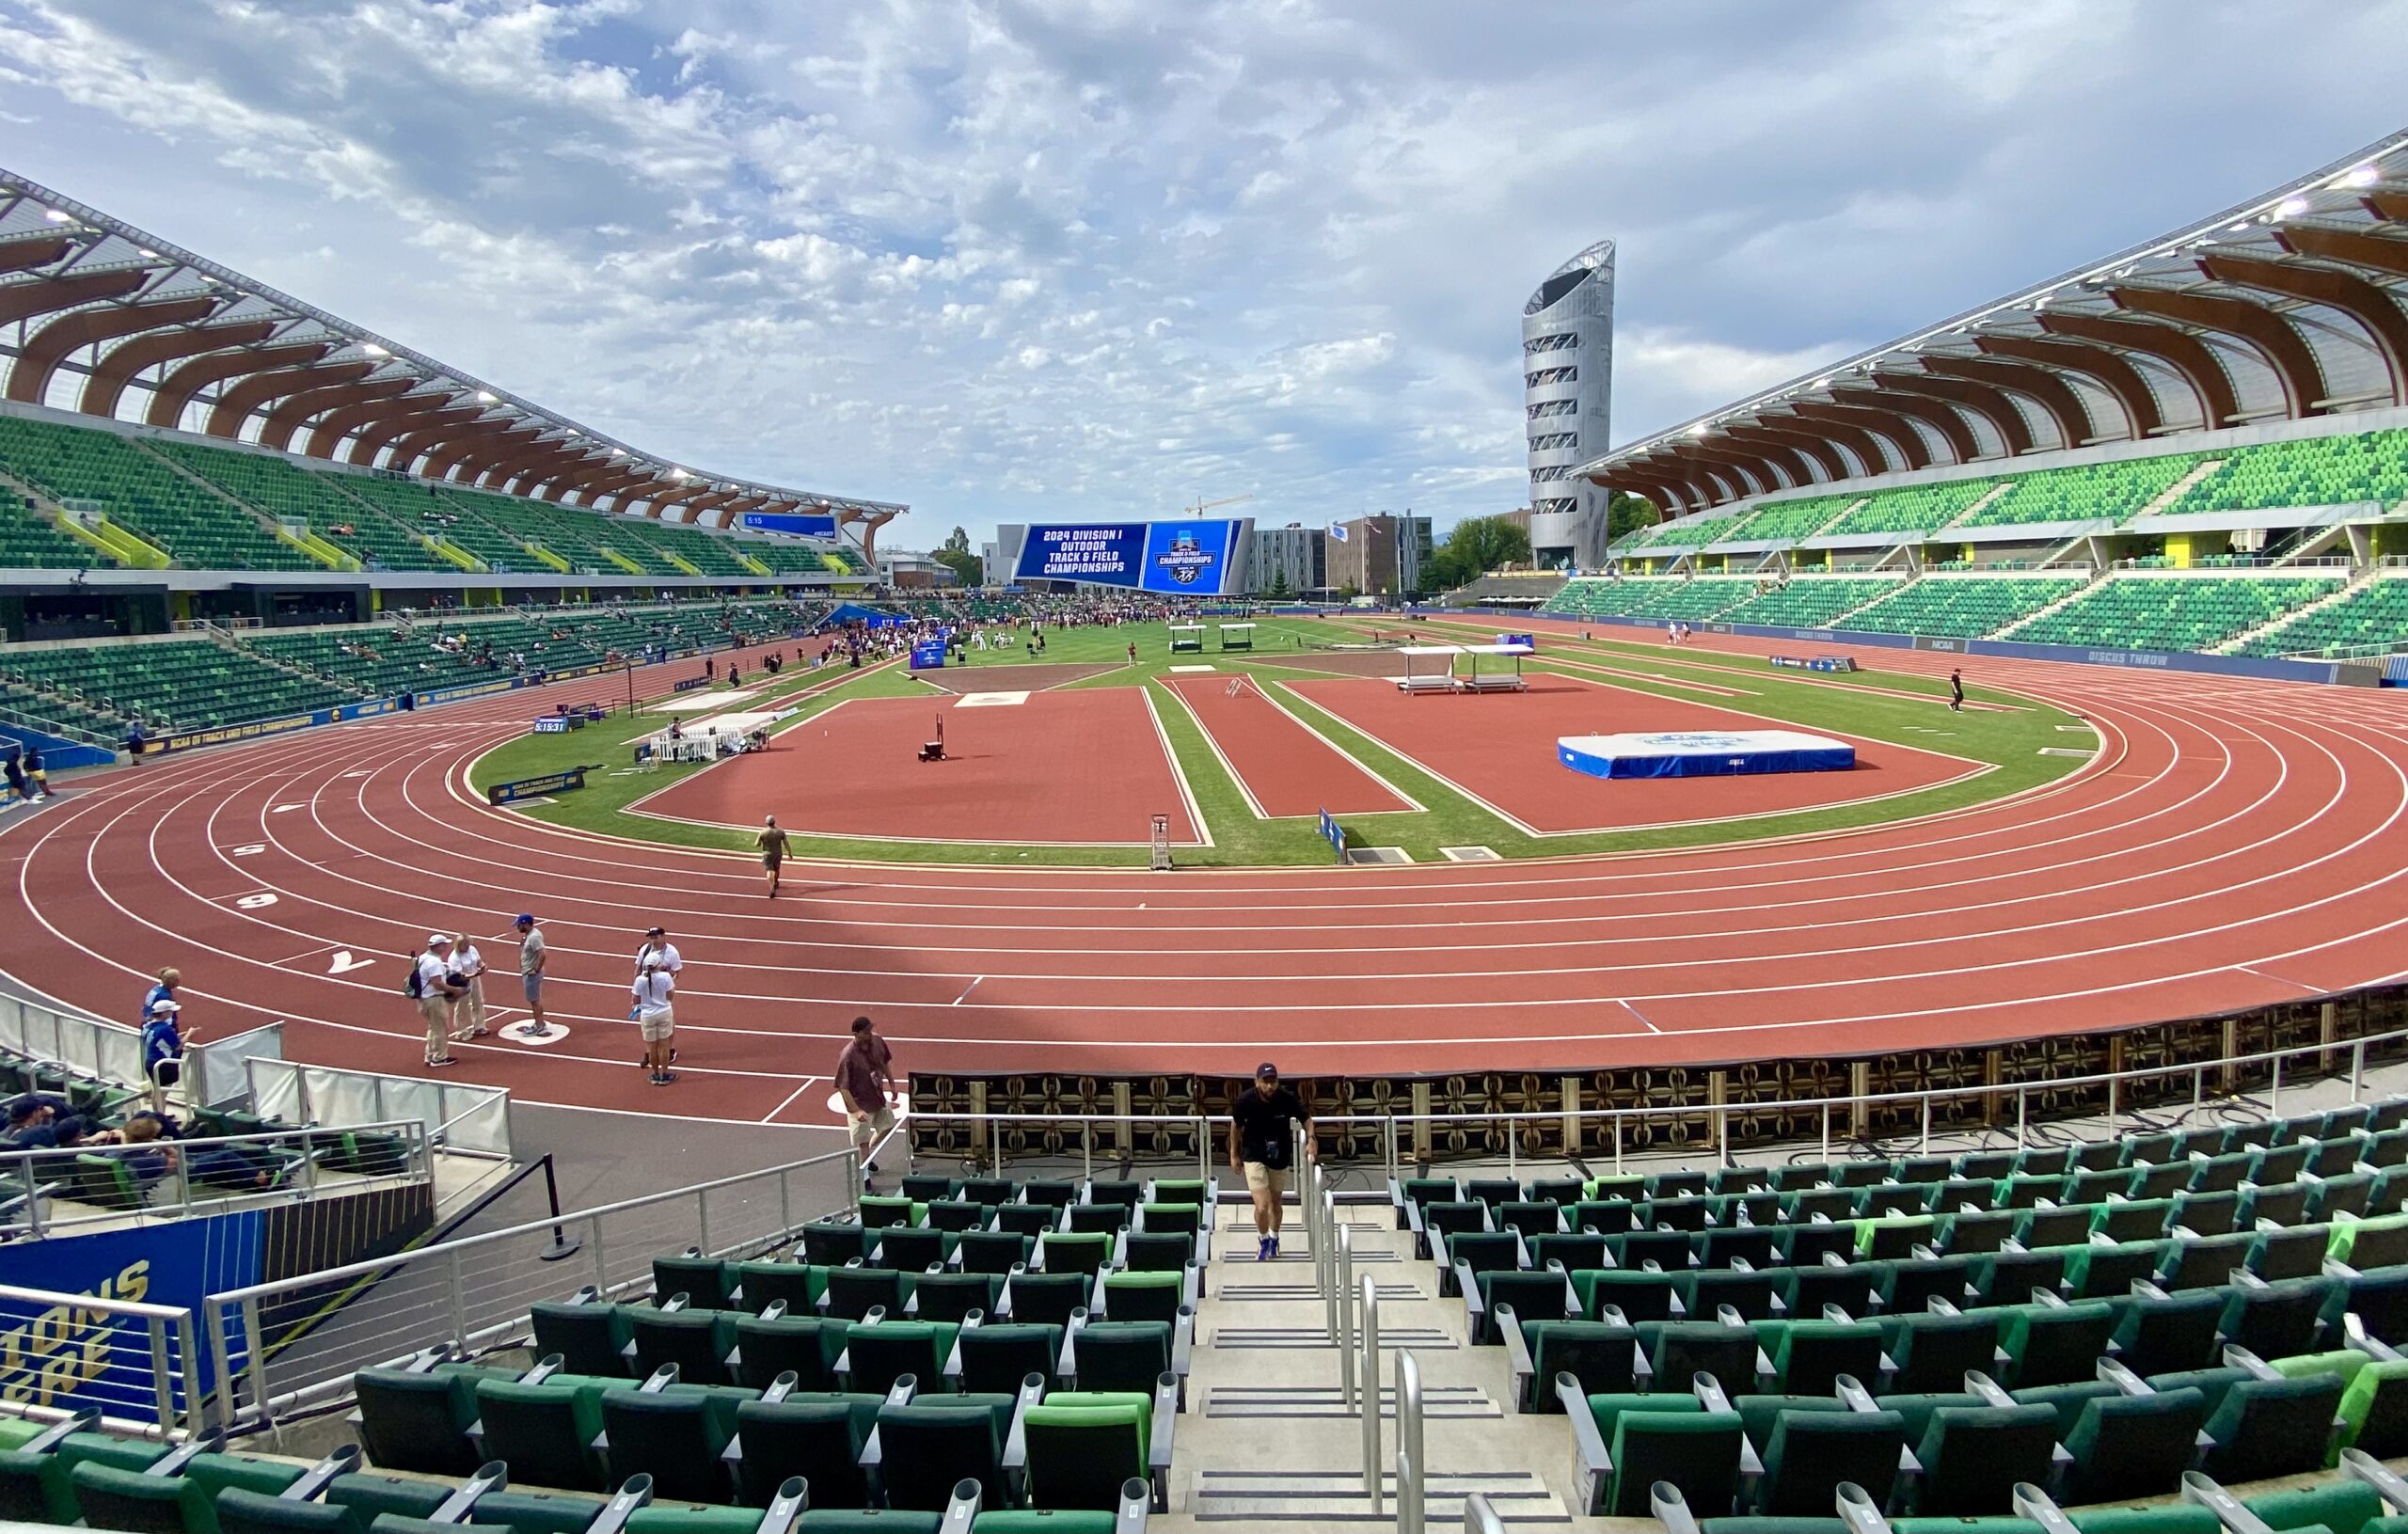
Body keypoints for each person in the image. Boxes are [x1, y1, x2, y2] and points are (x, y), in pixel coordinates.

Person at [1228, 1062, 1310, 1260]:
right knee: (1262, 1206)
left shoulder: (1286, 1099)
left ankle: (1274, 1238)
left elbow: (1306, 1119)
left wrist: (1312, 1139)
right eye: (1265, 1081)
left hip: (1279, 1156)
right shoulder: (1246, 1100)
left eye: (1273, 1081)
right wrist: (1234, 1154)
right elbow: (1235, 1126)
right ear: (1257, 1082)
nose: (1270, 1086)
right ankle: (1263, 1240)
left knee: (1275, 1203)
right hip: (1254, 1155)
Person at [836, 1016, 896, 1185]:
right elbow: (843, 1087)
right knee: (862, 1144)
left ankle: (868, 1157)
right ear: (856, 1034)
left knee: (888, 1127)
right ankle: (864, 1180)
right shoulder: (848, 1056)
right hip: (860, 1103)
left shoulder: (877, 1041)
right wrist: (856, 1110)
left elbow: (884, 1062)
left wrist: (891, 1082)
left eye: (870, 1029)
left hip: (877, 1097)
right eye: (866, 1031)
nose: (870, 1033)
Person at [411, 935, 464, 1067]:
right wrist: (453, 990)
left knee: (433, 1028)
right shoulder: (434, 962)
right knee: (440, 1029)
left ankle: (430, 1055)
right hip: (433, 1000)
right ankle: (439, 1057)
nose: (446, 947)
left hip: (424, 999)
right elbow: (437, 983)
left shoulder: (423, 958)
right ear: (438, 946)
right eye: (444, 944)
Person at [631, 957, 677, 1085]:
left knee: (652, 1047)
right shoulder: (666, 977)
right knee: (664, 1045)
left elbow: (635, 999)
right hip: (664, 1012)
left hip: (647, 1015)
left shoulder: (639, 980)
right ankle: (664, 1074)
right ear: (658, 965)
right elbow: (670, 995)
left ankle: (655, 1074)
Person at [140, 997, 187, 1112]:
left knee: (156, 1092)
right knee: (162, 1095)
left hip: (150, 1062)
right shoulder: (165, 1029)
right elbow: (178, 1046)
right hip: (163, 1064)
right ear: (164, 1013)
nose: (172, 1013)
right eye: (170, 1011)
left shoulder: (147, 1026)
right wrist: (190, 1033)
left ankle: (157, 1116)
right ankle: (161, 1118)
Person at [449, 931, 491, 1042]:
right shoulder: (454, 957)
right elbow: (459, 974)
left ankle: (479, 1026)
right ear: (459, 945)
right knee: (462, 1005)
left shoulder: (472, 949)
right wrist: (474, 974)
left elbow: (478, 961)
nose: (468, 946)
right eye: (465, 944)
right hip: (462, 982)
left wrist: (482, 966)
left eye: (468, 944)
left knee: (478, 1001)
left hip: (474, 978)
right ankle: (461, 1031)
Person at [514, 914, 550, 1036]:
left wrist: (536, 969)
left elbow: (542, 953)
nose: (517, 927)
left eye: (519, 925)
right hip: (528, 972)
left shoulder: (534, 937)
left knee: (535, 1001)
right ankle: (539, 1023)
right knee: (535, 1000)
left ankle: (539, 1026)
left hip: (531, 974)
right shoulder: (529, 935)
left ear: (525, 924)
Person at [757, 814, 791, 897]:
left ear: (766, 823)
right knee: (777, 869)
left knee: (769, 871)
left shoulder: (763, 832)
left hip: (767, 854)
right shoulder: (780, 831)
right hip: (778, 853)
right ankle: (775, 881)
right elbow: (786, 843)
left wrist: (761, 842)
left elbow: (757, 844)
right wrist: (790, 853)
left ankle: (772, 887)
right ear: (774, 822)